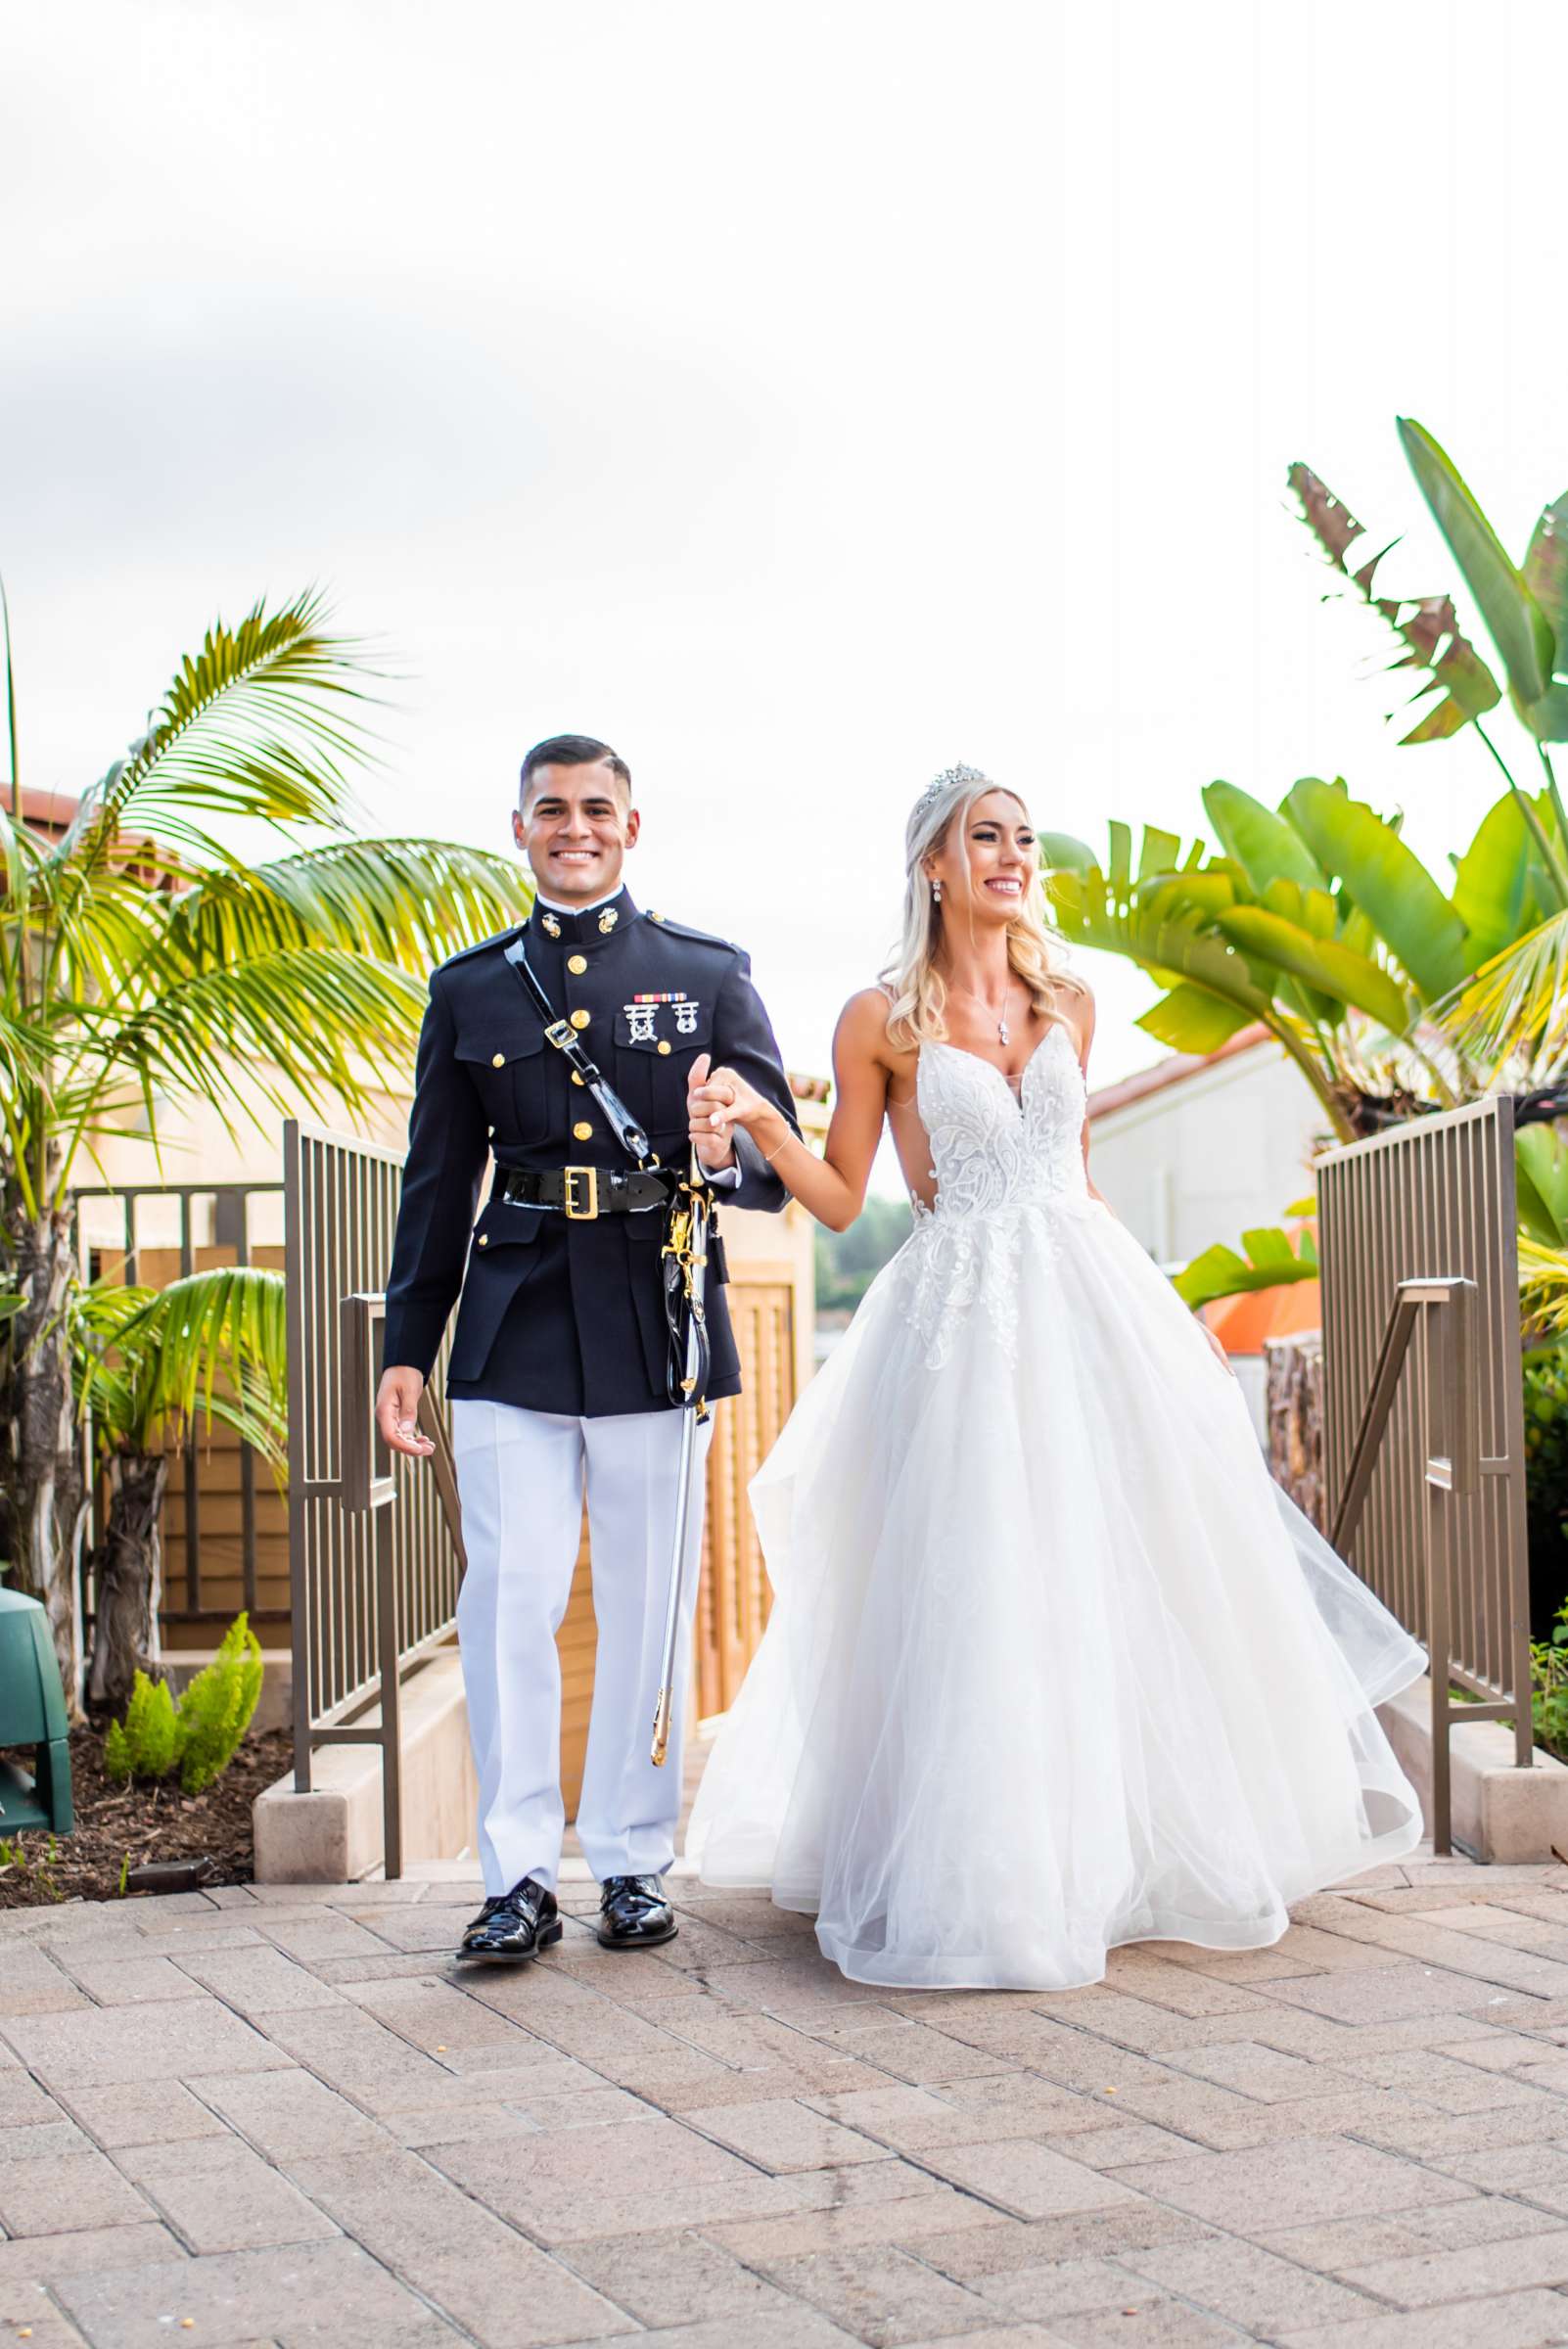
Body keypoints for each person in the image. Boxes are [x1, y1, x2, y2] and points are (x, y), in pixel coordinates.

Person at [681, 763, 1424, 1993]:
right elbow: (837, 1193)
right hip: (960, 1320)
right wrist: (764, 1128)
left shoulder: (1072, 997)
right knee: (984, 1579)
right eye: (987, 836)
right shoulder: (881, 1018)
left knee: (1127, 1561)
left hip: (1087, 1295)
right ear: (934, 862)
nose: (1014, 856)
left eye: (1023, 837)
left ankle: (1131, 1844)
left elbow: (1074, 1171)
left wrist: (1149, 1327)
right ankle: (993, 1868)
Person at [376, 734, 798, 1965]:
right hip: (512, 1321)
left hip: (652, 1316)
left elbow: (776, 1165)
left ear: (630, 825)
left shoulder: (704, 975)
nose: (575, 826)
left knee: (645, 1602)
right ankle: (515, 1876)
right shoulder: (471, 991)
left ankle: (628, 1859)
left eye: (596, 808)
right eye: (551, 809)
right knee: (509, 1598)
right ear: (519, 829)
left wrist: (724, 1151)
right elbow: (436, 1180)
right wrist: (411, 1342)